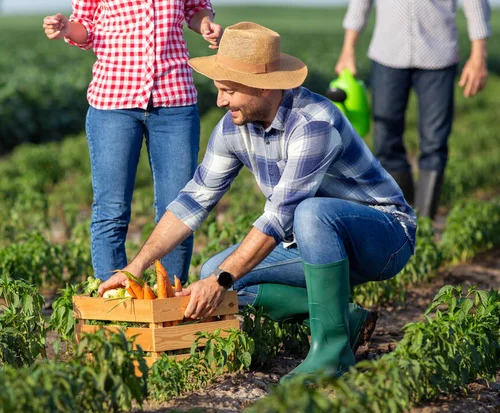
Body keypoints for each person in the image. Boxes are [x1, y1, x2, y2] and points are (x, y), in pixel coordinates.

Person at [97, 22, 417, 381]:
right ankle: (346, 319)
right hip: (312, 241)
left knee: (301, 218)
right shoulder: (233, 127)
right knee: (213, 275)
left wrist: (221, 279)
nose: (220, 100)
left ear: (263, 87)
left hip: (383, 237)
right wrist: (135, 268)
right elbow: (193, 201)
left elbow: (280, 217)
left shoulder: (313, 121)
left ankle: (332, 354)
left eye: (228, 90)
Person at [42, 0, 222, 283]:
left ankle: (169, 303)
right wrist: (67, 28)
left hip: (174, 99)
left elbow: (195, 8)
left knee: (178, 209)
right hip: (113, 102)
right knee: (111, 210)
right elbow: (85, 28)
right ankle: (112, 303)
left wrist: (206, 25)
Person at [335, 0, 491, 219]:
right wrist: (347, 49)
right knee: (386, 142)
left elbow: (475, 3)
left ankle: (425, 223)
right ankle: (402, 219)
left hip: (439, 57)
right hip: (387, 54)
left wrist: (478, 56)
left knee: (435, 142)